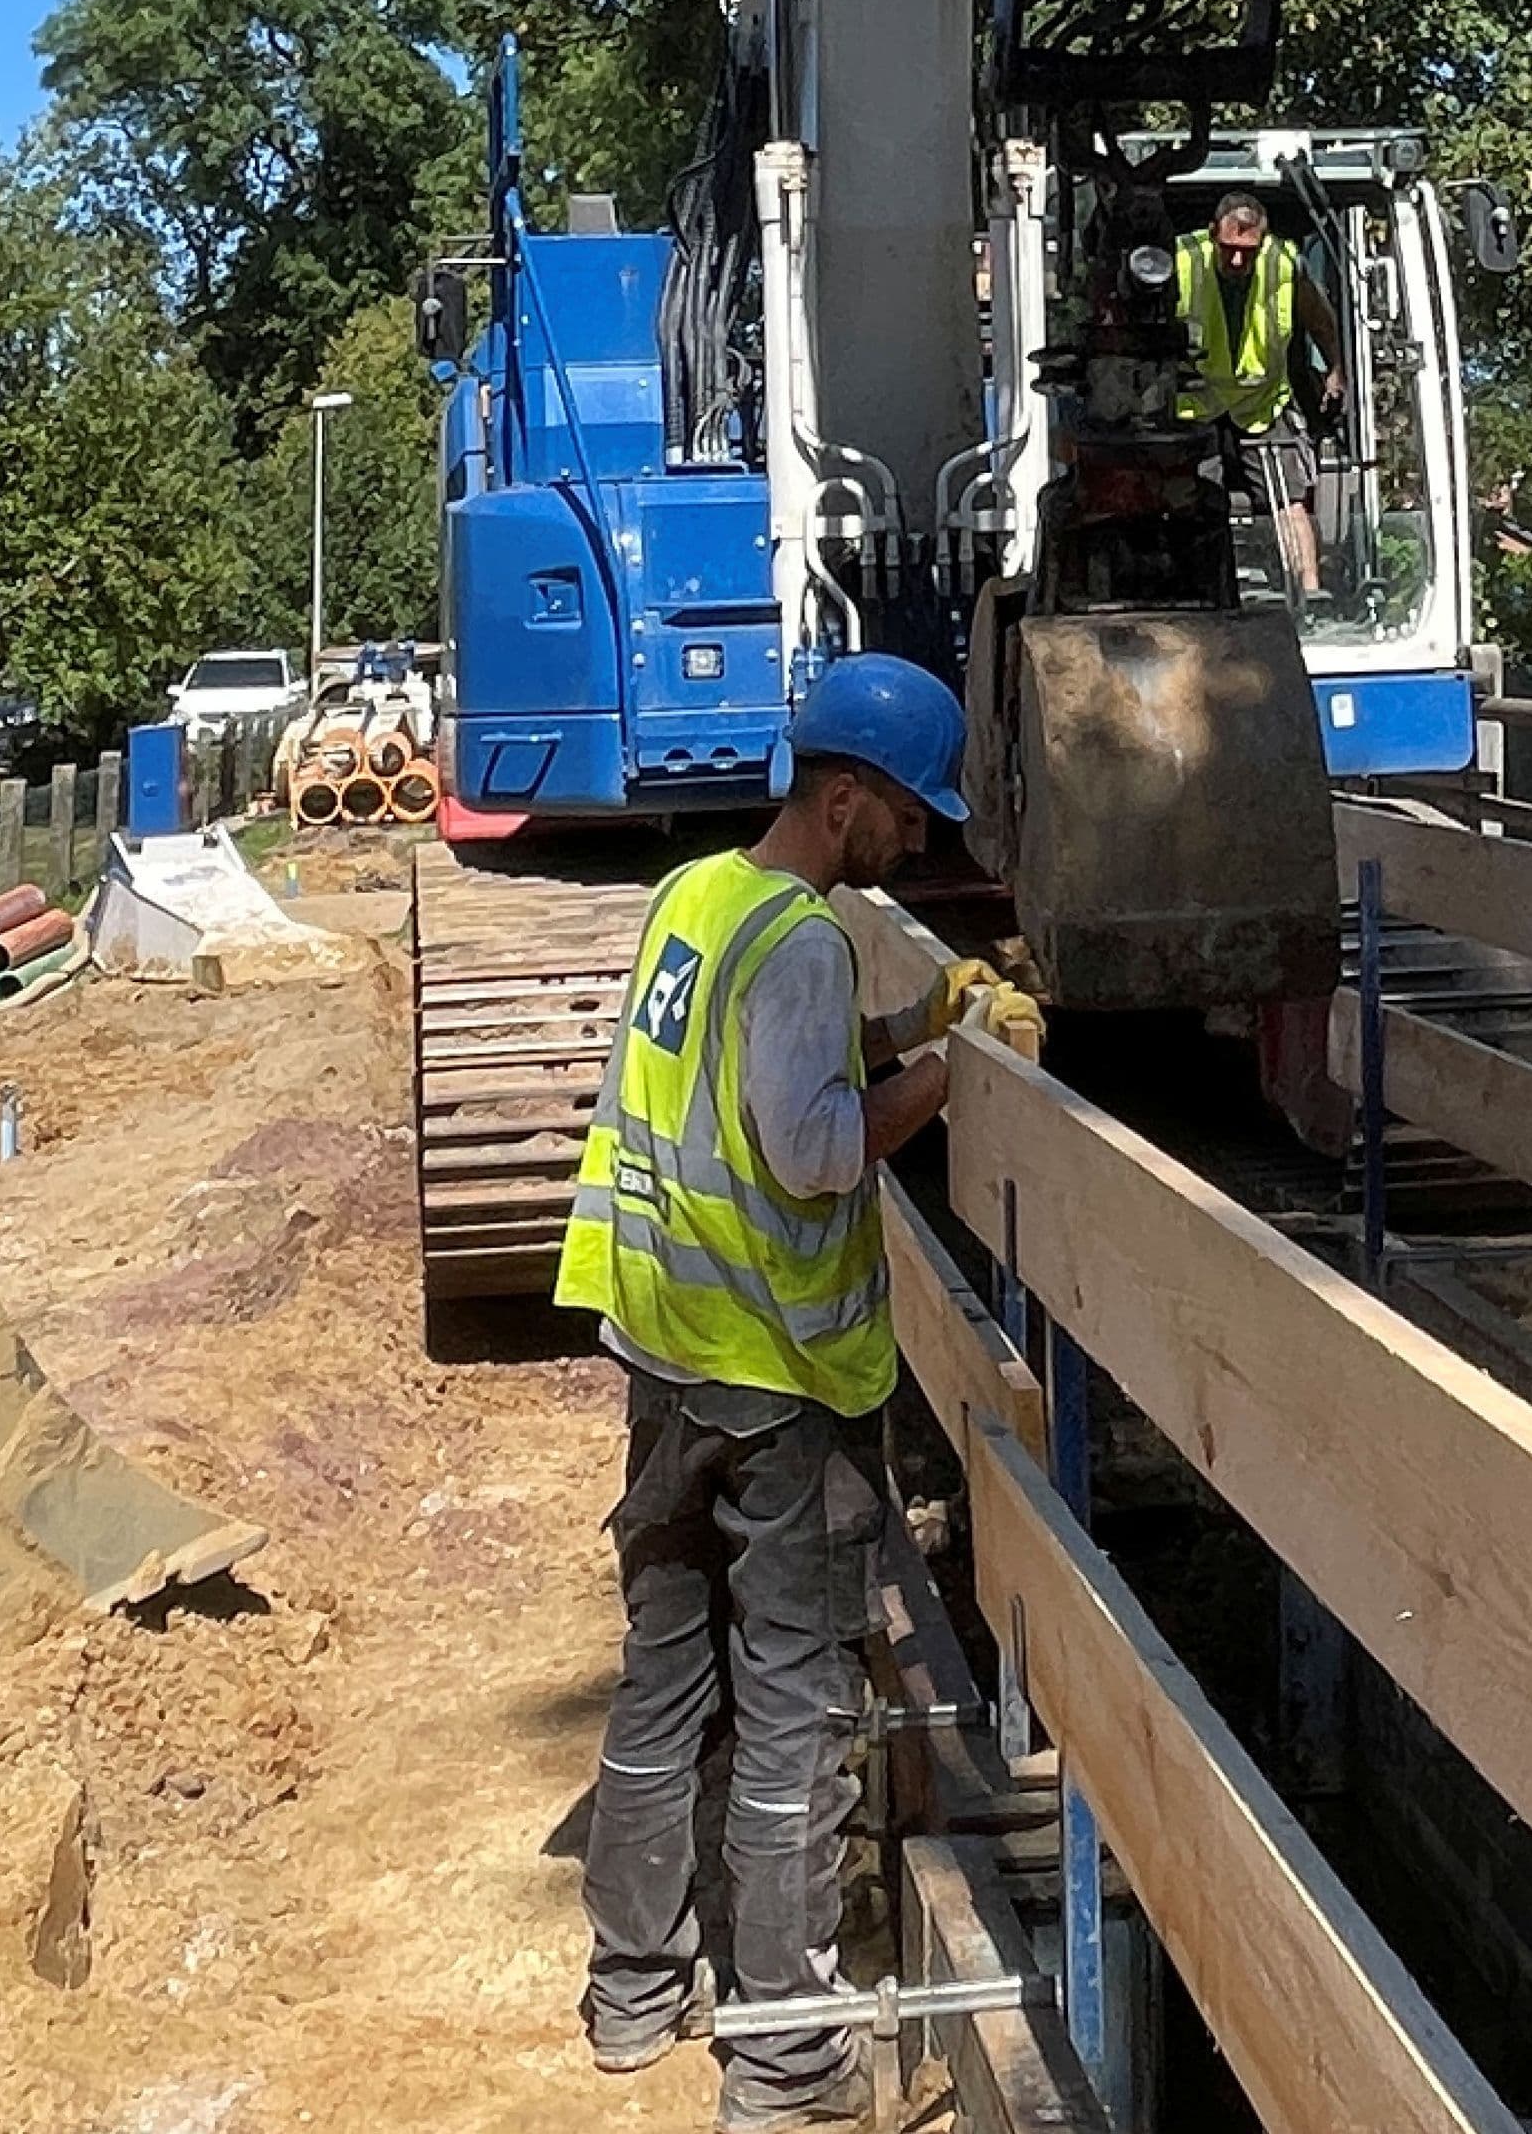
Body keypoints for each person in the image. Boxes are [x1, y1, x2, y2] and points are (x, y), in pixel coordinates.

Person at [558, 653, 1018, 2126]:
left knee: (661, 1677)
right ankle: (785, 2062)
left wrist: (905, 1028)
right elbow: (812, 1148)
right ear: (840, 799)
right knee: (795, 1709)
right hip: (775, 1383)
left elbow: (755, 1076)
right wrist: (947, 1072)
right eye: (904, 817)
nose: (919, 843)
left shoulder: (699, 898)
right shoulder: (808, 940)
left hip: (662, 1354)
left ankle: (632, 1995)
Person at [1176, 190, 1344, 599]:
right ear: (1213, 233)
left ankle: (1310, 593)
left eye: (1247, 252)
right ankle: (1198, 594)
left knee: (1288, 498)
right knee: (1195, 503)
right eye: (1229, 249)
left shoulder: (1284, 266)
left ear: (1263, 242)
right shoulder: (1180, 262)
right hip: (1195, 404)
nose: (1237, 261)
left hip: (1262, 401)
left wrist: (1336, 370)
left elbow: (1320, 321)